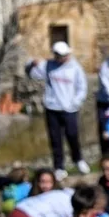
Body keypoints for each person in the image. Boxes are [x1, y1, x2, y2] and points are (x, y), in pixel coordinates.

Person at [26, 41, 91, 181]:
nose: (64, 58)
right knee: (55, 139)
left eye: (66, 55)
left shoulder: (75, 67)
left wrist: (75, 102)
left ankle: (78, 159)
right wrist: (32, 63)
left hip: (70, 109)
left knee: (72, 135)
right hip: (52, 107)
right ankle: (59, 167)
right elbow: (32, 73)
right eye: (61, 55)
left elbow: (82, 87)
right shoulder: (48, 65)